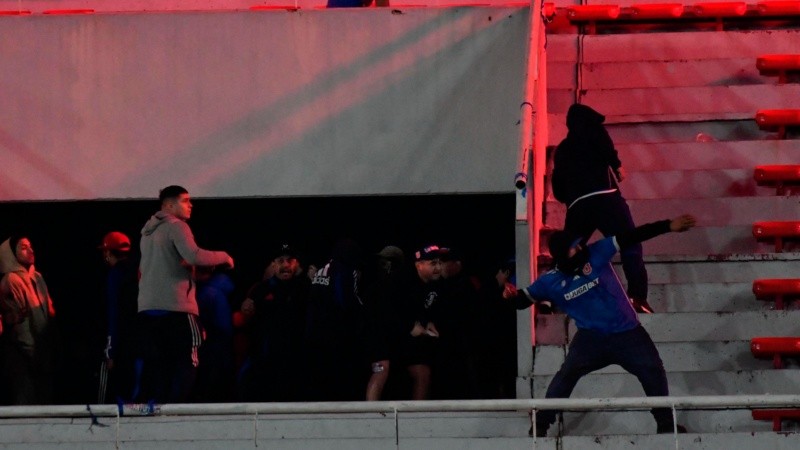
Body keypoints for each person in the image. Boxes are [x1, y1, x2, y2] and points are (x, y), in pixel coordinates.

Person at [502, 214, 697, 436]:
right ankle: (541, 425)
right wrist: (508, 296)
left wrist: (668, 225)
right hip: (590, 340)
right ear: (562, 255)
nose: (580, 249)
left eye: (579, 244)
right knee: (566, 376)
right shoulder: (550, 281)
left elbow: (632, 235)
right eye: (574, 248)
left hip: (628, 333)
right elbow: (523, 300)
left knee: (653, 371)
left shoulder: (598, 251)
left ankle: (665, 425)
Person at [551, 102, 653, 314]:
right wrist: (617, 166)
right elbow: (605, 146)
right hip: (605, 198)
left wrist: (572, 196)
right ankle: (637, 297)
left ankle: (555, 298)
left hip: (578, 206)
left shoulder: (562, 150)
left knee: (567, 251)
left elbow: (558, 187)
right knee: (630, 245)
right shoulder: (594, 131)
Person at [136, 185, 234, 404]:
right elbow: (194, 255)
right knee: (188, 362)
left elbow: (163, 266)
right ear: (170, 205)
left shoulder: (147, 232)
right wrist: (224, 257)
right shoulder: (177, 226)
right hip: (177, 309)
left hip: (148, 310)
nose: (191, 205)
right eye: (186, 200)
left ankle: (157, 409)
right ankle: (177, 411)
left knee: (159, 364)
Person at [237, 244, 309, 402]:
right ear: (274, 264)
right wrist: (246, 307)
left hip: (296, 361)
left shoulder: (305, 288)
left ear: (297, 264)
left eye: (290, 261)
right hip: (266, 361)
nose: (285, 265)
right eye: (281, 260)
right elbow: (246, 317)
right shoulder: (261, 289)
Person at [305, 238, 367, 401]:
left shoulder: (320, 271)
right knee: (339, 382)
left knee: (320, 382)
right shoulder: (345, 270)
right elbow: (347, 301)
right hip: (337, 338)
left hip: (315, 337)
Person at [0, 235, 57, 405]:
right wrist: (35, 354)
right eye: (24, 248)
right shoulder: (11, 280)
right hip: (23, 354)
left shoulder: (37, 277)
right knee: (26, 399)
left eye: (30, 246)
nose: (31, 250)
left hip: (42, 351)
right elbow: (21, 325)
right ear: (12, 254)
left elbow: (49, 312)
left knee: (44, 400)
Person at [97, 231, 140, 405]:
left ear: (107, 252)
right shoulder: (140, 272)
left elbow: (114, 314)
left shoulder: (115, 276)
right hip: (141, 345)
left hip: (122, 347)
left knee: (110, 399)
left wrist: (110, 351)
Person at [434, 247, 480, 399]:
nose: (440, 266)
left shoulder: (468, 283)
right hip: (442, 343)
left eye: (444, 262)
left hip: (465, 343)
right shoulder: (437, 285)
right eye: (439, 262)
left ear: (457, 263)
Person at [193, 265, 235, 403]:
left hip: (212, 341)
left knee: (210, 378)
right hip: (221, 341)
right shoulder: (217, 291)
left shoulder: (207, 292)